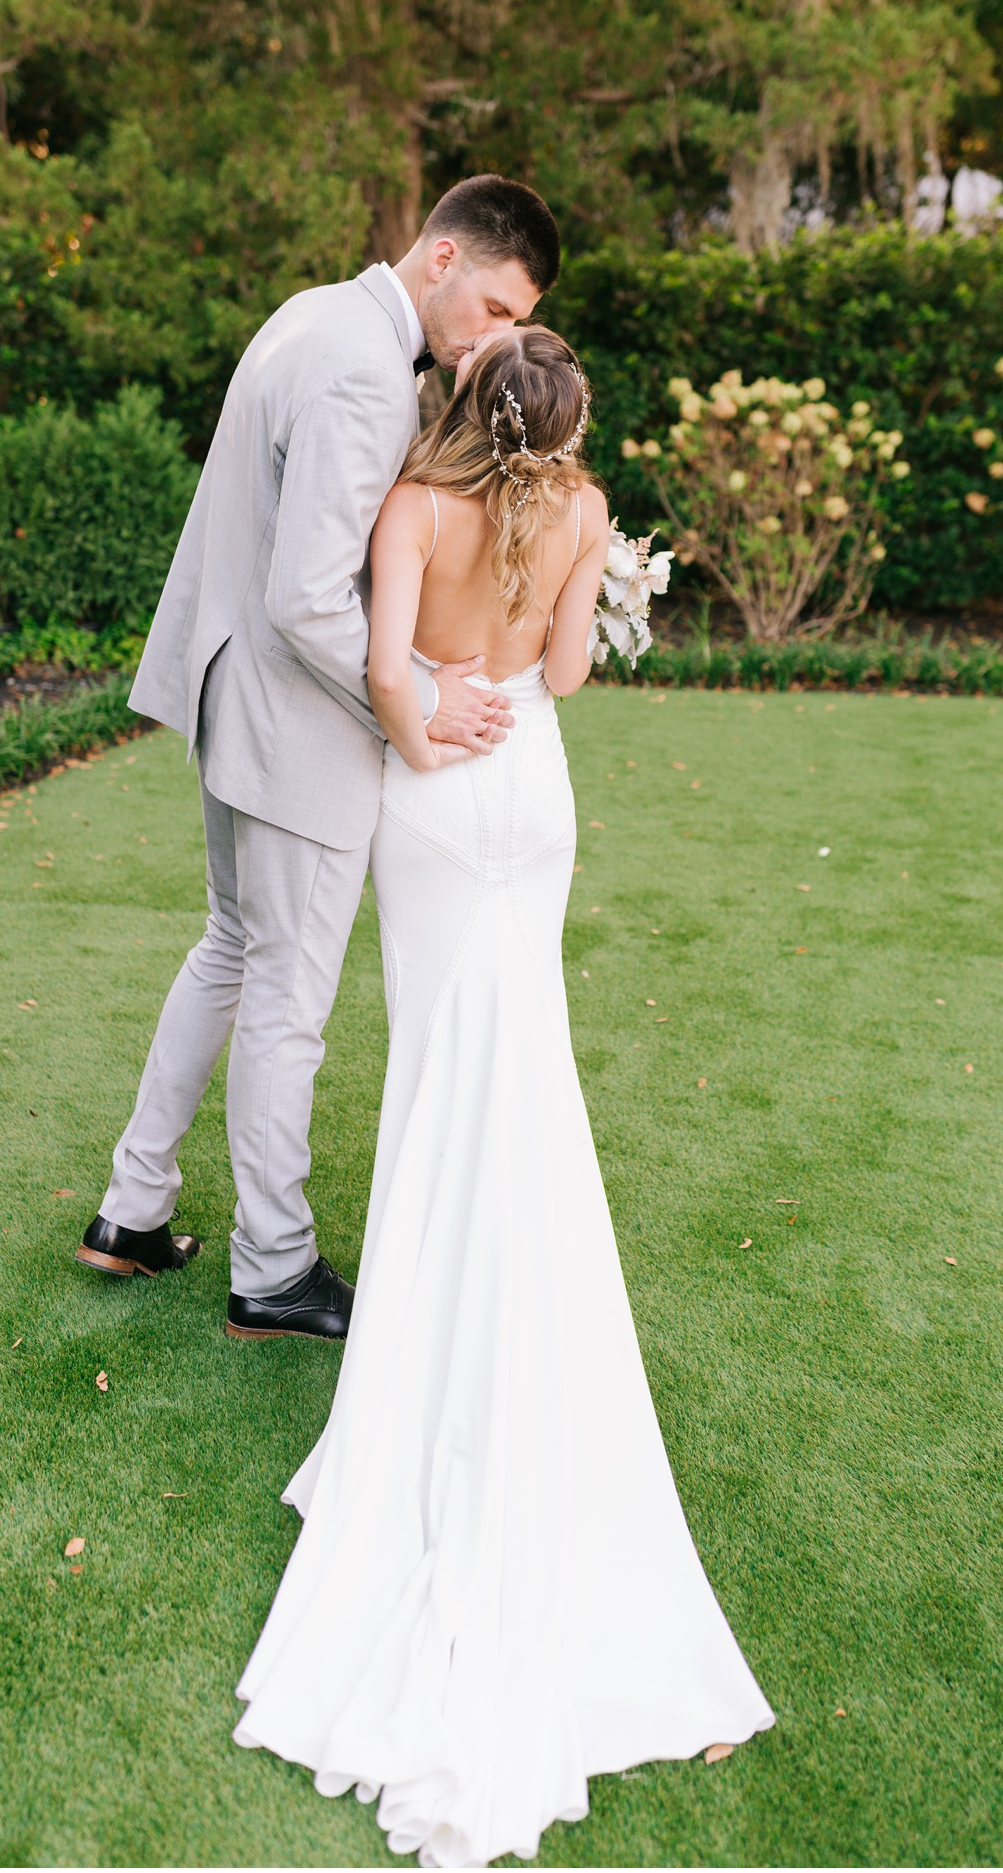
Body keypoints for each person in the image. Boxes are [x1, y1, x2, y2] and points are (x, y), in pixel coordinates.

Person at [231, 326, 775, 1868]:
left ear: (465, 400)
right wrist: (557, 609)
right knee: (519, 1064)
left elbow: (391, 670)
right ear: (570, 420)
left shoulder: (408, 506)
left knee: (437, 1068)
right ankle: (512, 1316)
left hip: (434, 794)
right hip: (529, 796)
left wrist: (423, 723)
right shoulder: (589, 511)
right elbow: (564, 676)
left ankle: (426, 1340)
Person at [76, 177, 561, 1340]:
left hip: (226, 689)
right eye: (493, 308)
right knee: (290, 994)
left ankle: (133, 1210)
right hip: (294, 721)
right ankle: (273, 1268)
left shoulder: (318, 311)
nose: (495, 339)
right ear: (441, 257)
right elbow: (309, 598)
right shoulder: (359, 368)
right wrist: (418, 695)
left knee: (233, 948)